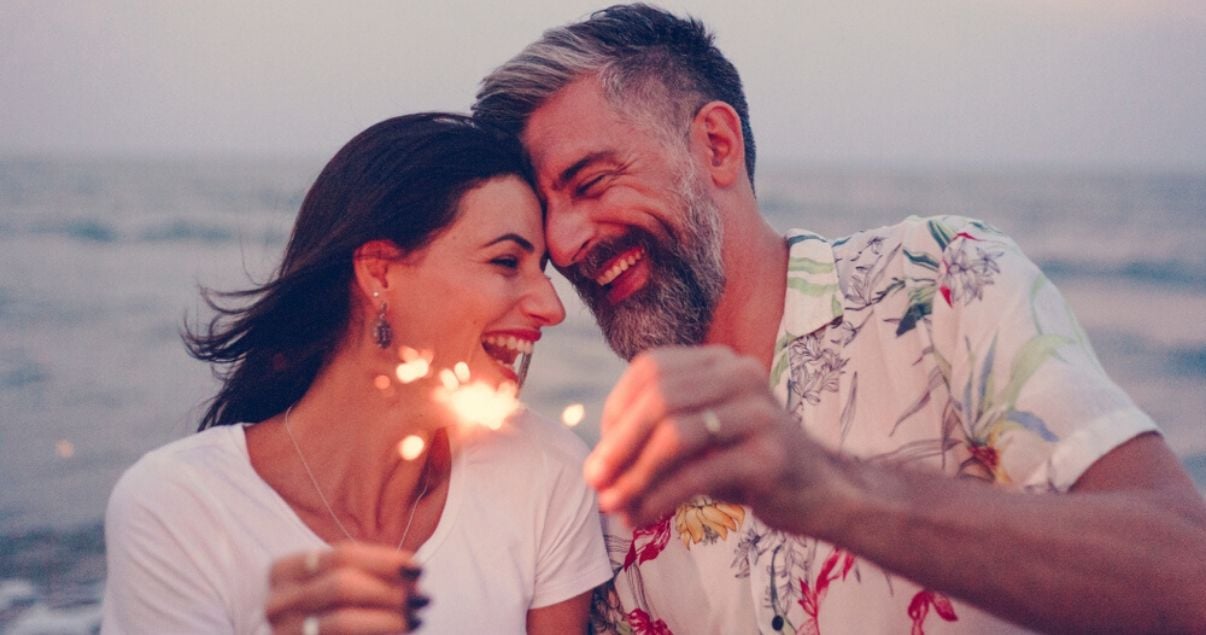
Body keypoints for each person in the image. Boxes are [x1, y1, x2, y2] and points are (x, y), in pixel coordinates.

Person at [473, 4, 1206, 633]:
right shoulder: (628, 492)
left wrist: (830, 489)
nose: (564, 245)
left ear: (716, 146)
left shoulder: (938, 285)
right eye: (548, 216)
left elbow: (1188, 574)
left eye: (593, 182)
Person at [101, 113, 613, 634]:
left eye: (543, 273)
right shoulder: (179, 507)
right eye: (507, 262)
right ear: (379, 272)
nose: (551, 307)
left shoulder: (545, 472)